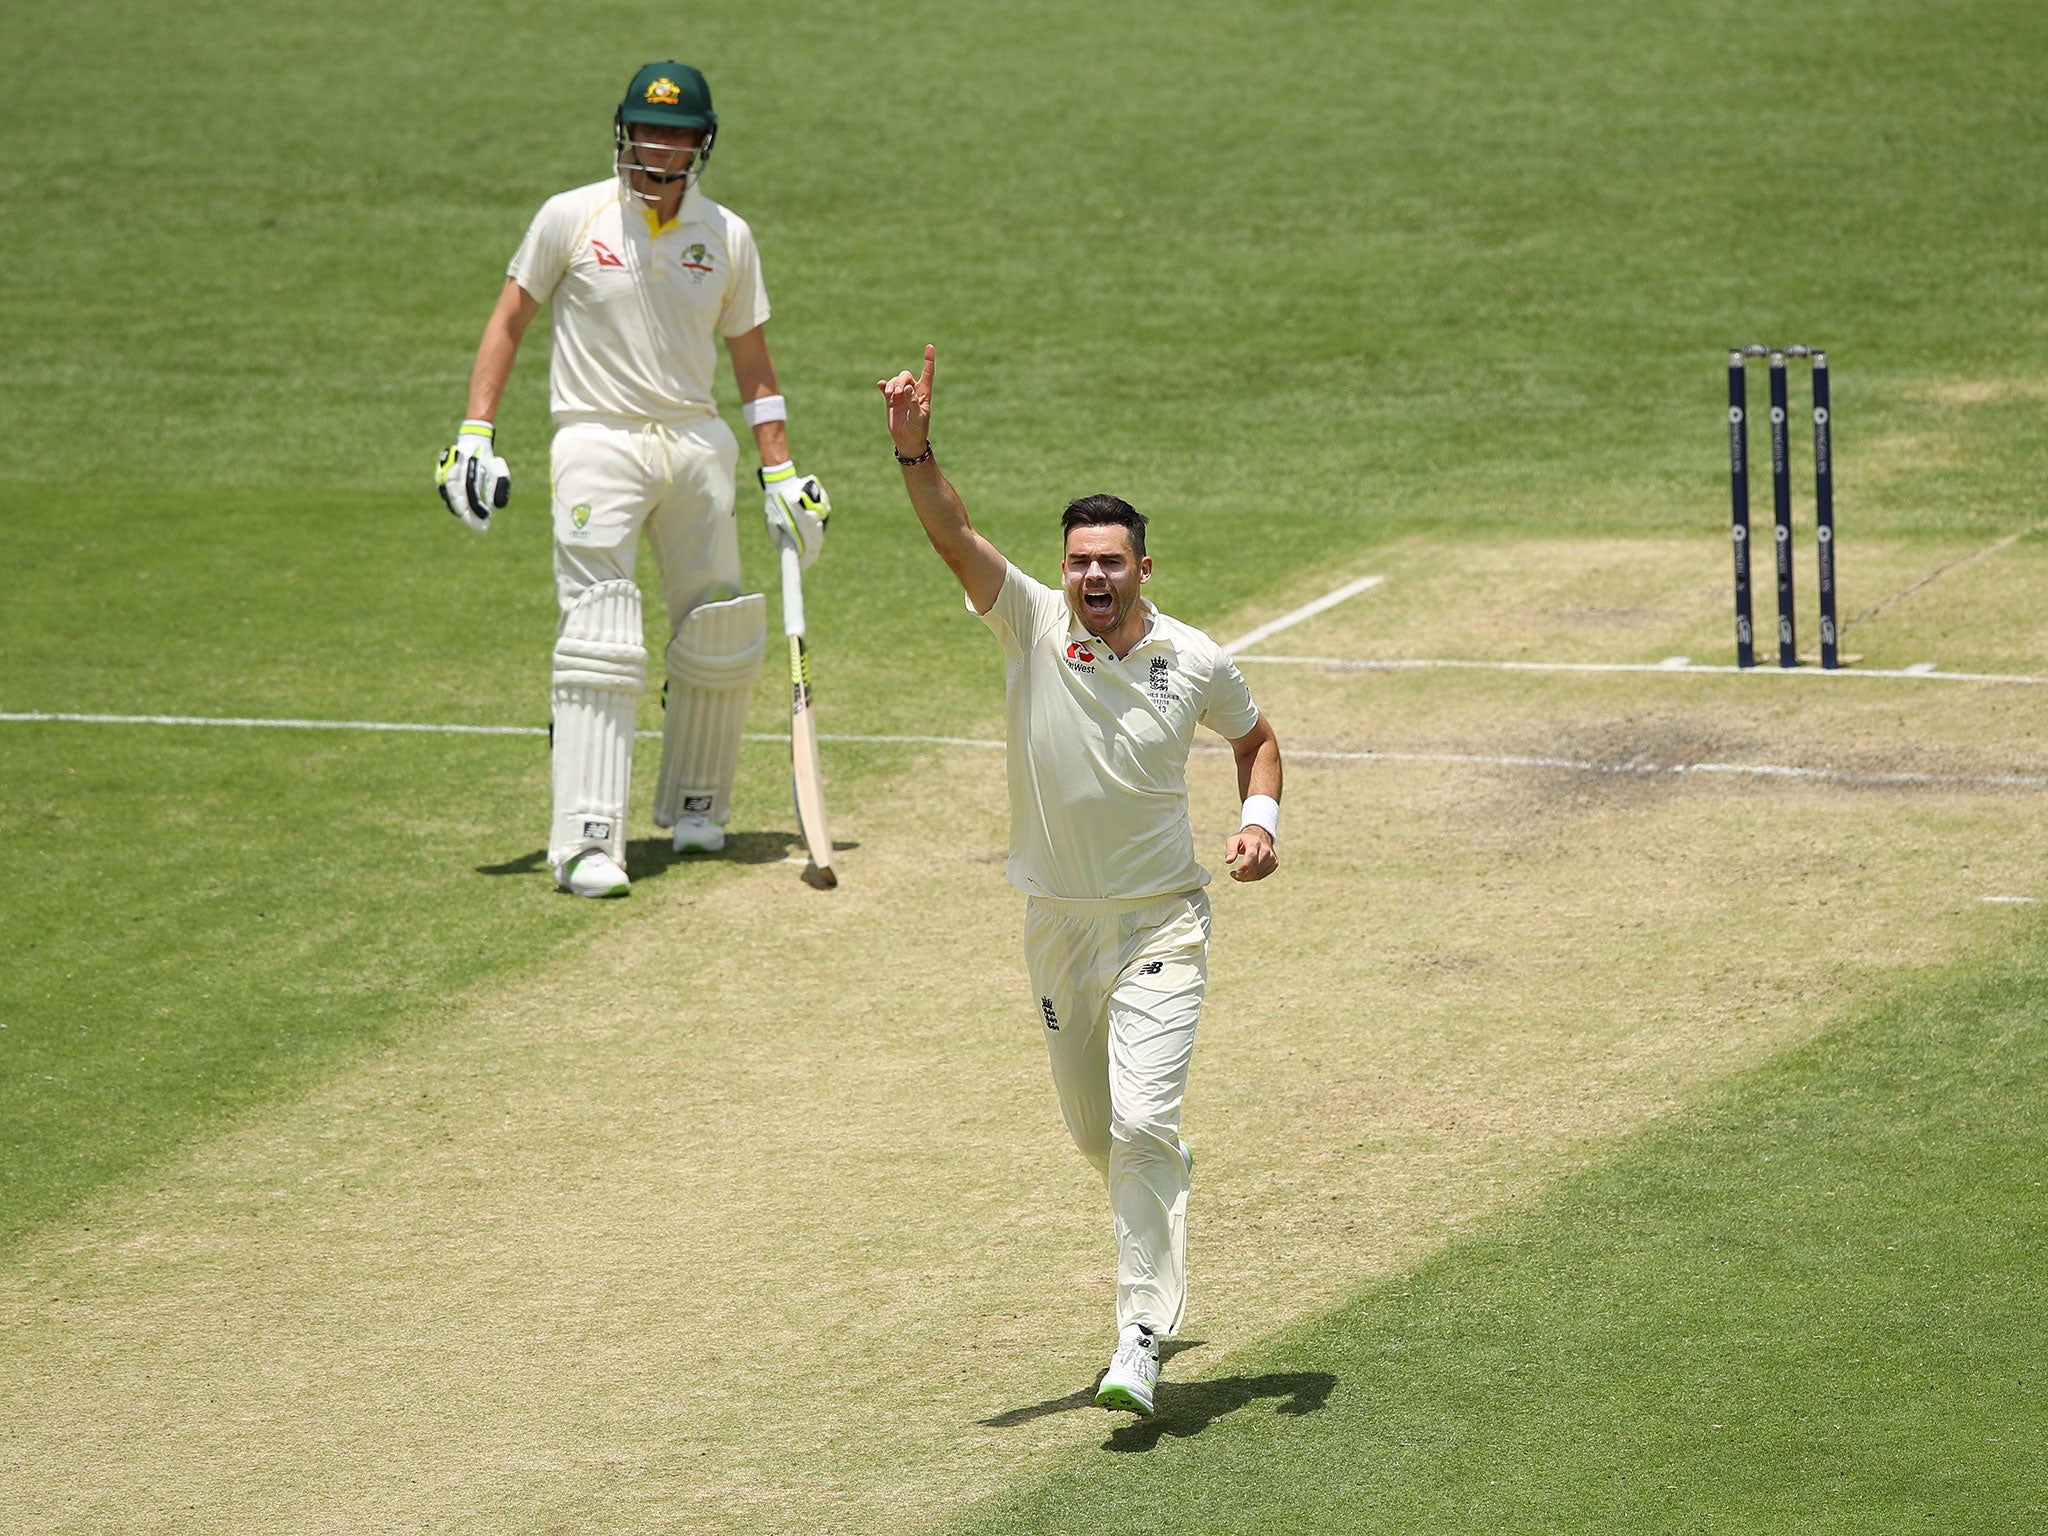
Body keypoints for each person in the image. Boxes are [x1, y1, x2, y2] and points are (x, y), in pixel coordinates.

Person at [877, 345, 1284, 1415]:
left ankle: (1136, 1340)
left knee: (1141, 1130)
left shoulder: (1194, 660)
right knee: (1098, 1139)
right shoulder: (1032, 625)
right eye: (1077, 563)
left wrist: (1258, 822)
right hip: (1056, 926)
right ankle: (1156, 1171)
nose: (1092, 578)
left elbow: (1256, 741)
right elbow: (951, 533)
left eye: (1111, 562)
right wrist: (914, 446)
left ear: (1144, 568)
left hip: (1161, 925)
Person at [436, 60, 831, 897]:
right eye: (649, 130)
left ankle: (698, 808)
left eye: (679, 134)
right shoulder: (569, 218)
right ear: (623, 131)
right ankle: (586, 840)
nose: (661, 148)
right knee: (599, 633)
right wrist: (475, 433)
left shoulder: (726, 236)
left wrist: (783, 472)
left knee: (719, 623)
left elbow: (755, 367)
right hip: (596, 440)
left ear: (701, 144)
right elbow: (509, 321)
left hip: (694, 439)